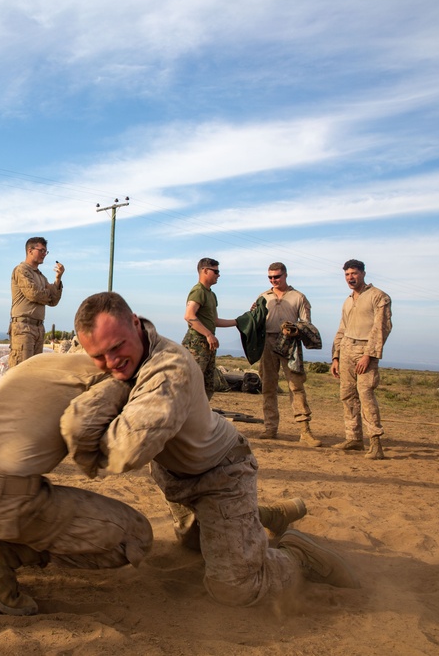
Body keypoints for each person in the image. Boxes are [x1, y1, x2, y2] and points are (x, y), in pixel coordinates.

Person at [0, 351, 306, 615]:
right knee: (134, 536)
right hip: (3, 496)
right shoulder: (112, 383)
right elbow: (110, 450)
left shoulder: (45, 361)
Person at [66, 291, 359, 608]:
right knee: (195, 546)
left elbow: (126, 451)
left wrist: (78, 435)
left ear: (135, 323)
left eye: (117, 347)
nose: (110, 362)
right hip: (176, 478)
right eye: (98, 355)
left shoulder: (169, 369)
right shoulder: (126, 355)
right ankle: (264, 515)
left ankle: (297, 554)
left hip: (222, 474)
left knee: (235, 588)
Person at [330, 260, 392, 460]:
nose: (350, 277)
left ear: (363, 274)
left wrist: (369, 355)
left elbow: (381, 328)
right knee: (347, 395)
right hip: (346, 349)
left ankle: (375, 442)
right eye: (347, 274)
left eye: (354, 273)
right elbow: (342, 328)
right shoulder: (348, 300)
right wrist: (336, 356)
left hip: (365, 350)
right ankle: (354, 438)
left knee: (365, 395)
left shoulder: (378, 297)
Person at [257, 262, 321, 446]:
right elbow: (256, 320)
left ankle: (304, 431)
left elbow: (307, 324)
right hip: (267, 343)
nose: (273, 280)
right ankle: (270, 428)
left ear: (285, 275)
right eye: (270, 277)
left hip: (290, 344)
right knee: (268, 386)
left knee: (296, 386)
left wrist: (295, 330)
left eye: (277, 276)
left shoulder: (299, 297)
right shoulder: (263, 297)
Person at [183, 258, 237, 400]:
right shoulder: (198, 291)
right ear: (205, 271)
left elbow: (214, 321)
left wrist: (238, 322)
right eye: (216, 271)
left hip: (208, 344)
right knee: (192, 384)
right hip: (196, 343)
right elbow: (189, 316)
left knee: (207, 386)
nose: (218, 275)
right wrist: (208, 334)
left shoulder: (211, 295)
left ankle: (200, 417)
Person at [8, 237, 63, 367]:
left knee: (33, 370)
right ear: (30, 250)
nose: (44, 254)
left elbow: (54, 301)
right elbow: (33, 294)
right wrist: (48, 293)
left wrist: (58, 279)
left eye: (46, 251)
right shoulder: (21, 270)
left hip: (38, 328)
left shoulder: (41, 277)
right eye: (41, 250)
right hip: (23, 328)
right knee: (21, 370)